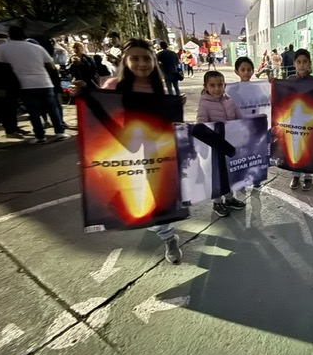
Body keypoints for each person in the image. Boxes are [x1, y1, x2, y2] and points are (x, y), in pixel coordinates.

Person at [75, 38, 185, 264]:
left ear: (153, 61)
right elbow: (100, 110)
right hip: (124, 152)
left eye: (146, 58)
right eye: (135, 58)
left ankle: (168, 238)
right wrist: (84, 93)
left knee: (159, 196)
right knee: (132, 196)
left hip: (154, 153)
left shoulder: (157, 87)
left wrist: (174, 106)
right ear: (125, 61)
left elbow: (162, 122)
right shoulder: (113, 85)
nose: (141, 63)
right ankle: (159, 226)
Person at [0, 26, 68, 144]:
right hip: (44, 82)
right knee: (52, 108)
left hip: (24, 84)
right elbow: (51, 65)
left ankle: (40, 136)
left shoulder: (2, 48)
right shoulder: (37, 47)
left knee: (34, 112)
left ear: (9, 35)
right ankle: (60, 132)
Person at [196, 70, 246, 217]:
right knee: (217, 175)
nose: (217, 88)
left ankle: (229, 198)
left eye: (220, 84)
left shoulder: (230, 101)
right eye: (212, 85)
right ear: (205, 86)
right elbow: (201, 125)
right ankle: (217, 202)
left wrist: (255, 121)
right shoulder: (204, 104)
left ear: (225, 85)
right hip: (215, 148)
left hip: (230, 145)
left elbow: (240, 119)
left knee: (229, 173)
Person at [286, 48, 313, 191]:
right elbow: (283, 98)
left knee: (308, 147)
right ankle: (295, 175)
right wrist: (274, 85)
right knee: (295, 147)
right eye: (298, 62)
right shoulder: (289, 80)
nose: (302, 65)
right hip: (294, 121)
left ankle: (308, 176)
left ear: (309, 63)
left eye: (305, 62)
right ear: (294, 64)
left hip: (309, 121)